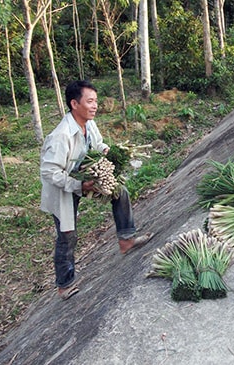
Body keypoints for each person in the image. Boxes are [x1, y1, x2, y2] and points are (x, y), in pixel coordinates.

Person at [40, 80, 153, 300]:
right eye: (89, 101)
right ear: (74, 103)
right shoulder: (61, 135)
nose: (95, 106)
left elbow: (97, 143)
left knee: (119, 192)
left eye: (96, 101)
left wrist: (105, 149)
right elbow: (49, 171)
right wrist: (77, 185)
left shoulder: (88, 123)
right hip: (63, 186)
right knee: (67, 235)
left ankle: (126, 240)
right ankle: (65, 285)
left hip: (87, 177)